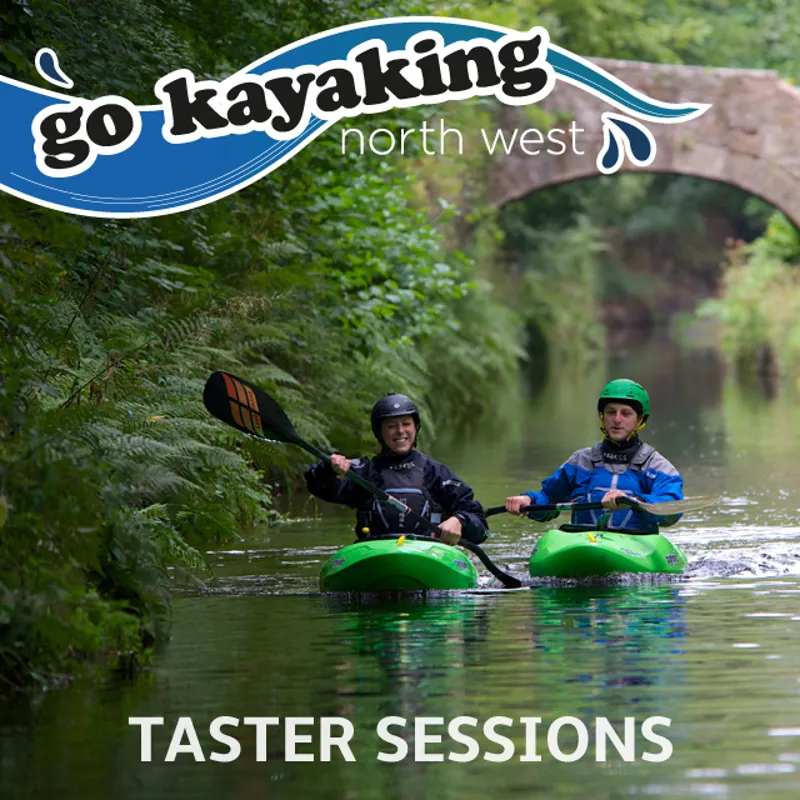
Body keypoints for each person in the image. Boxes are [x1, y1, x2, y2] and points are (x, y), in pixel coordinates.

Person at [305, 393, 488, 546]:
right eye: (391, 426)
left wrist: (459, 521)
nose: (400, 431)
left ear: (415, 428)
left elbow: (480, 527)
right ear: (380, 432)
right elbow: (319, 486)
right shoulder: (364, 472)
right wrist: (328, 469)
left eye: (406, 424)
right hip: (375, 553)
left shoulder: (436, 474)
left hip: (428, 554)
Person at [505, 379, 684, 533]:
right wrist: (528, 500)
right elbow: (549, 498)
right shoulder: (581, 461)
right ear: (602, 416)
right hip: (585, 542)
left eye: (626, 413)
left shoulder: (656, 466)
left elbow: (672, 508)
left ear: (639, 420)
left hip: (635, 544)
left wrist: (635, 500)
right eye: (611, 412)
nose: (617, 419)